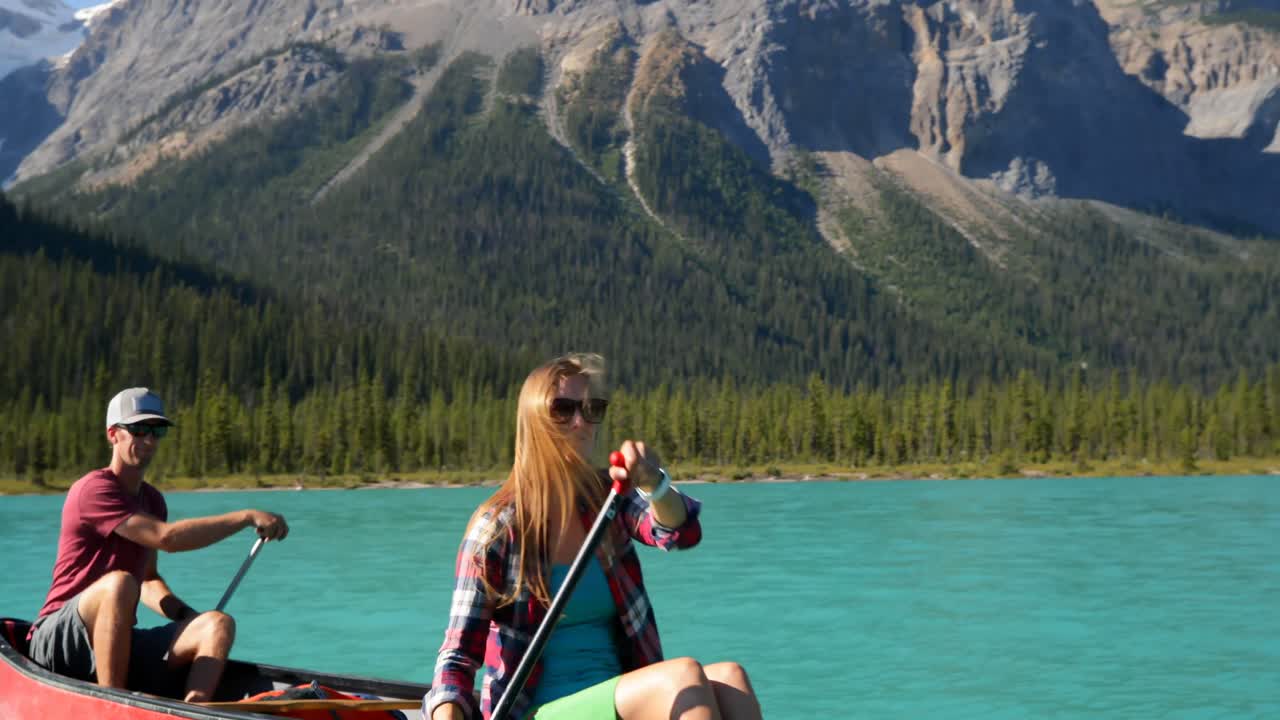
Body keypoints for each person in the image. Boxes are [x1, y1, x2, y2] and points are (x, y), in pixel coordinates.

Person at [425, 354, 763, 720]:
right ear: (534, 421)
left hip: (618, 699)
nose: (580, 422)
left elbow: (680, 532)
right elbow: (457, 657)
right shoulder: (498, 527)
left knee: (732, 678)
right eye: (563, 409)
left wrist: (654, 485)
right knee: (681, 676)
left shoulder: (607, 500)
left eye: (591, 409)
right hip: (534, 711)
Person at [28, 387, 290, 702]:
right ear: (113, 434)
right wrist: (246, 516)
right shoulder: (93, 489)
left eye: (157, 430)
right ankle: (114, 705)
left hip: (115, 638)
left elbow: (149, 579)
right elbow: (166, 538)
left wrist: (184, 614)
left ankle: (195, 710)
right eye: (138, 429)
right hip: (58, 640)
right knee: (119, 584)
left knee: (217, 624)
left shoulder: (152, 500)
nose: (149, 439)